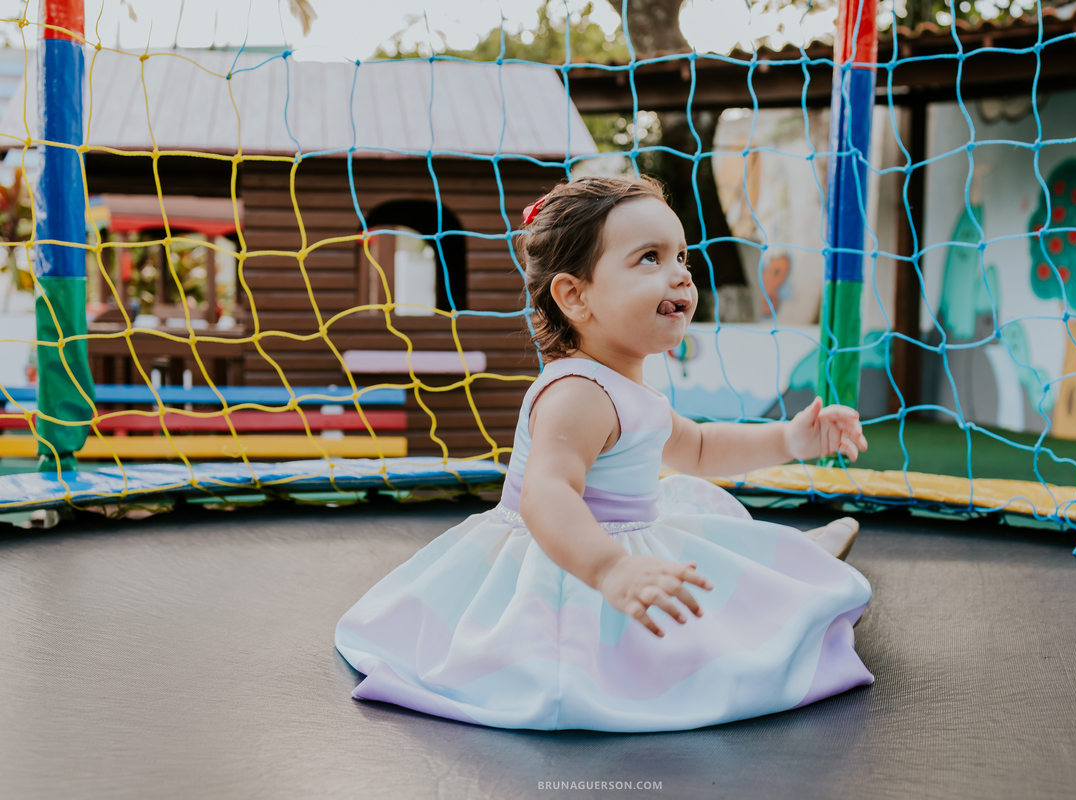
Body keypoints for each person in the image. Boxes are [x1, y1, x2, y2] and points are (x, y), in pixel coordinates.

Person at [334, 175, 874, 732]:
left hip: (634, 532)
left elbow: (701, 446)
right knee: (655, 651)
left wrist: (791, 439)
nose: (682, 273)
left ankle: (791, 556)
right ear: (575, 296)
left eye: (681, 255)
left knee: (695, 502)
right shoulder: (576, 394)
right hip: (570, 559)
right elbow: (548, 495)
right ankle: (794, 562)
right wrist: (612, 569)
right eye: (649, 257)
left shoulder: (627, 383)